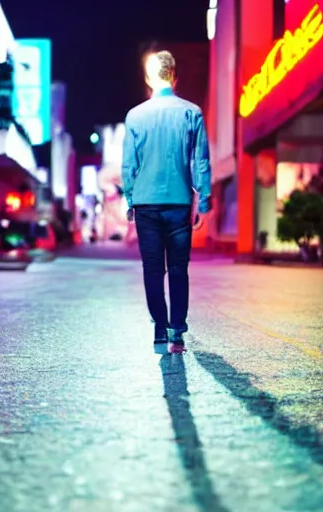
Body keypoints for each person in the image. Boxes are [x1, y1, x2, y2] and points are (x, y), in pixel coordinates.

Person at [122, 50, 211, 353]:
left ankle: (159, 327)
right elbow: (200, 161)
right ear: (174, 75)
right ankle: (177, 330)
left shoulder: (135, 116)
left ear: (149, 78)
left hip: (146, 204)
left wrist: (130, 199)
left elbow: (128, 166)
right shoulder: (192, 112)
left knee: (151, 269)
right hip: (179, 203)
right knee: (178, 268)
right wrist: (204, 201)